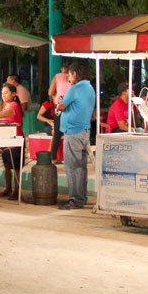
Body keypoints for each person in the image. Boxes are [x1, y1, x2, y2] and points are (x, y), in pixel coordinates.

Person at [55, 62, 95, 210]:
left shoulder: (75, 89)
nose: (69, 78)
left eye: (70, 75)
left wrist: (59, 103)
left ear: (75, 74)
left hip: (73, 132)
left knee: (72, 167)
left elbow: (61, 106)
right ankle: (81, 197)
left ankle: (75, 199)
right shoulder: (90, 88)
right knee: (81, 167)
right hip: (84, 131)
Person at [48, 62, 71, 162]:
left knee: (57, 132)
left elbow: (50, 92)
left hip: (59, 107)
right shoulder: (74, 78)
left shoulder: (57, 76)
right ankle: (70, 157)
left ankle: (53, 157)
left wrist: (55, 97)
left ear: (62, 68)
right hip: (71, 107)